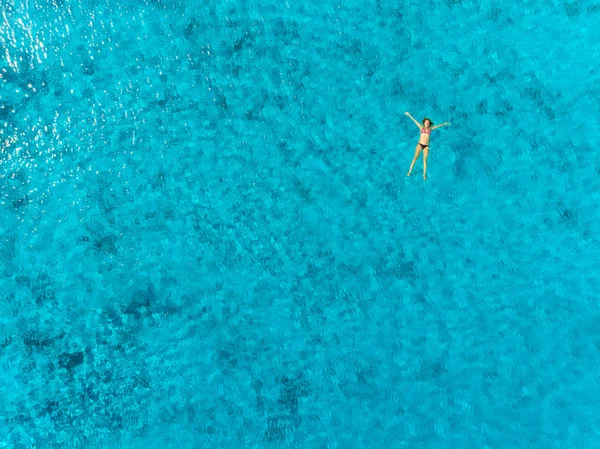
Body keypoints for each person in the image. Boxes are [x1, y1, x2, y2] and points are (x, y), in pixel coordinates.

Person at [405, 112, 450, 180]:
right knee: (415, 158)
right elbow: (415, 121)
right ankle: (409, 171)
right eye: (426, 122)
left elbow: (438, 126)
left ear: (429, 124)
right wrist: (409, 115)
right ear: (424, 123)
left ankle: (424, 174)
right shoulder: (421, 127)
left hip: (426, 146)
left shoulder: (430, 129)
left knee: (425, 160)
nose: (427, 124)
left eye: (428, 123)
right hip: (420, 145)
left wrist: (444, 124)